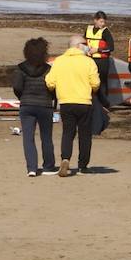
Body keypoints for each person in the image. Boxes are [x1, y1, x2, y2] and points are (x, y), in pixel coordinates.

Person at [44, 35, 100, 177]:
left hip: (66, 102)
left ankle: (65, 159)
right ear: (78, 46)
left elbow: (50, 82)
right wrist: (92, 90)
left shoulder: (59, 61)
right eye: (85, 43)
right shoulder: (88, 62)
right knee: (85, 134)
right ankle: (83, 166)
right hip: (84, 102)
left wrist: (58, 89)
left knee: (68, 133)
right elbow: (95, 83)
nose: (88, 45)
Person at [12, 37, 57, 177]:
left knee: (28, 137)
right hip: (45, 105)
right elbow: (53, 87)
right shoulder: (49, 69)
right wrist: (53, 99)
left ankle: (31, 168)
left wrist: (22, 98)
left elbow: (17, 87)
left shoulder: (20, 68)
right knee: (46, 137)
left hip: (27, 105)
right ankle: (48, 166)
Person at [85, 11, 115, 108]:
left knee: (102, 83)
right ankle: (91, 103)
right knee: (89, 81)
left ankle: (104, 105)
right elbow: (83, 42)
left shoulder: (105, 32)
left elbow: (111, 47)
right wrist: (86, 50)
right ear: (95, 20)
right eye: (101, 22)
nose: (103, 24)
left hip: (102, 61)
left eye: (104, 22)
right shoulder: (88, 29)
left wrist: (98, 49)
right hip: (90, 60)